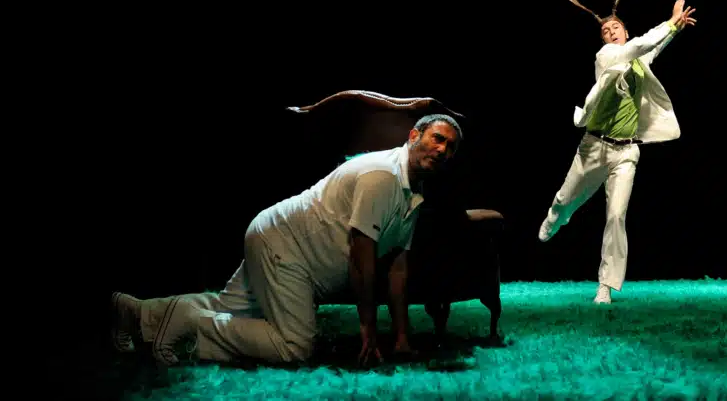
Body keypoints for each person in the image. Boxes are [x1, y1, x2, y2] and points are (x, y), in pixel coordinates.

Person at [110, 113, 463, 367]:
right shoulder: (382, 177)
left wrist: (401, 337)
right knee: (294, 346)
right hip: (285, 245)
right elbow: (362, 257)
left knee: (231, 309)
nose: (443, 150)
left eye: (451, 147)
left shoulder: (413, 193)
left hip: (278, 237)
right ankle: (190, 324)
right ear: (413, 136)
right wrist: (367, 327)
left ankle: (137, 312)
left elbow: (398, 267)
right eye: (438, 138)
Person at [537, 0, 697, 304]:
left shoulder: (639, 60)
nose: (610, 32)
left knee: (616, 216)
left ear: (625, 30)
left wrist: (675, 28)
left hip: (626, 153)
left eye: (615, 28)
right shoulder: (607, 56)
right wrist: (669, 22)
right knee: (566, 199)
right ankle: (557, 216)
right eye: (605, 31)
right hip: (593, 148)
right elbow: (641, 44)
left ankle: (605, 286)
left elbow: (652, 47)